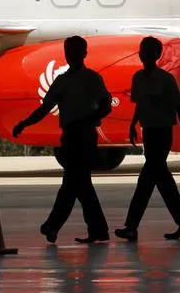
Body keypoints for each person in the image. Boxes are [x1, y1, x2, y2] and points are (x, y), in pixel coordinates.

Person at [13, 35, 113, 244]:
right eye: (68, 52)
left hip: (84, 137)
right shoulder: (62, 81)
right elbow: (44, 108)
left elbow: (106, 106)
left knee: (73, 183)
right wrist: (24, 123)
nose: (71, 56)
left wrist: (85, 122)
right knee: (79, 184)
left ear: (84, 53)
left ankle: (53, 226)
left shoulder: (92, 78)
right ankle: (93, 229)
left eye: (76, 51)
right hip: (70, 137)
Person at [115, 36, 180, 242]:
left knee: (146, 181)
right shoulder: (138, 78)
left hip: (162, 133)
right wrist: (133, 124)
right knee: (162, 181)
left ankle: (131, 227)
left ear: (157, 55)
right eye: (142, 50)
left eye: (148, 50)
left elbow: (179, 108)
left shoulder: (166, 80)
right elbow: (140, 105)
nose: (144, 54)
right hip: (149, 132)